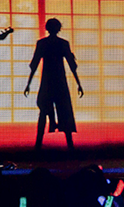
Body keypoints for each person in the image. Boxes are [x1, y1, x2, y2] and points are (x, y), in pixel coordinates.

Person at [24, 18, 83, 151]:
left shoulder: (42, 43)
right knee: (64, 111)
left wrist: (28, 83)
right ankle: (70, 146)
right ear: (59, 28)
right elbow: (72, 65)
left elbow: (34, 65)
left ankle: (38, 144)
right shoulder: (63, 43)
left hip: (47, 81)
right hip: (60, 81)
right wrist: (78, 83)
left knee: (43, 112)